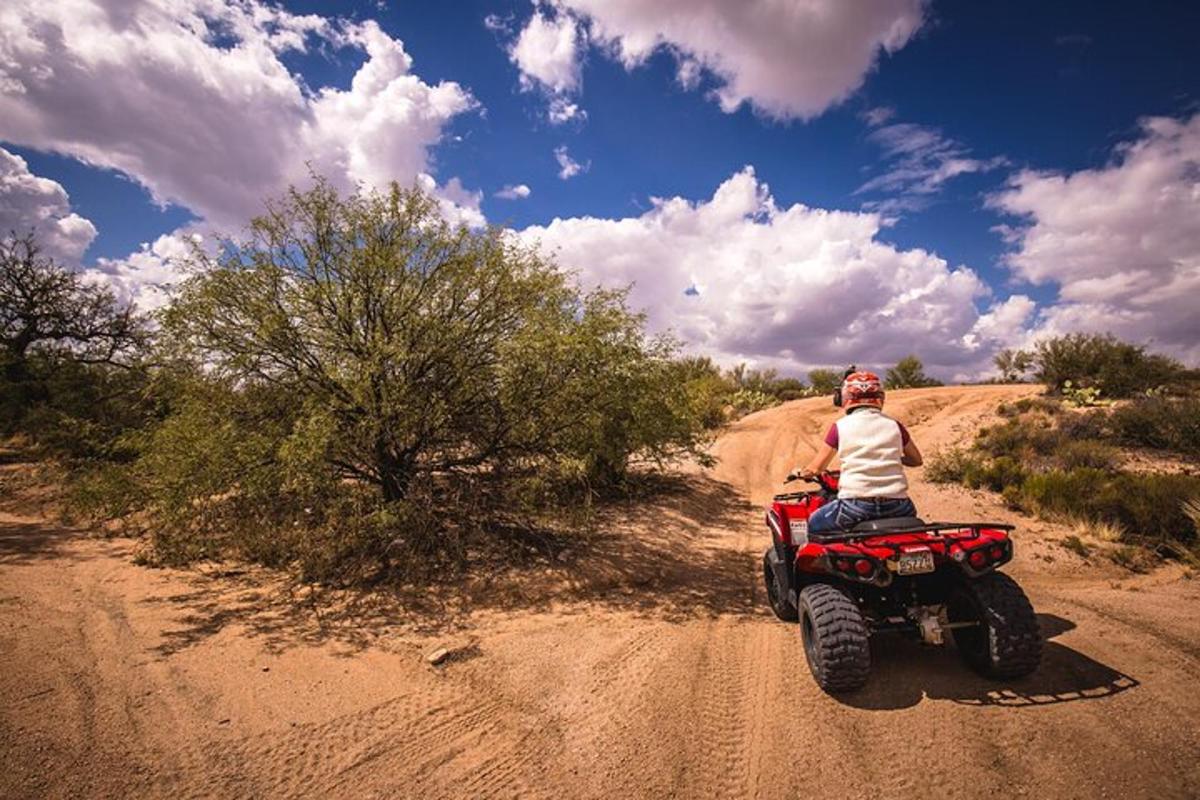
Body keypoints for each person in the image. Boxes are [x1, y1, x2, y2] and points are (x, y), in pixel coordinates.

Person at [788, 370, 923, 533]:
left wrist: (802, 472)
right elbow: (916, 460)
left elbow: (816, 469)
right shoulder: (895, 425)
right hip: (900, 506)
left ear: (844, 397)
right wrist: (888, 457)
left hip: (855, 506)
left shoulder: (840, 427)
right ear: (880, 397)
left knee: (812, 525)